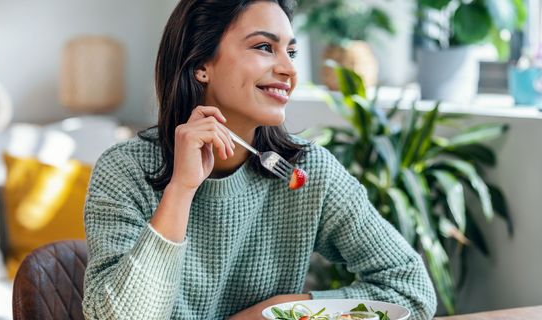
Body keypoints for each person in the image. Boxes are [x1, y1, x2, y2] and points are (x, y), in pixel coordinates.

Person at [82, 0, 437, 319]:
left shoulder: (308, 171)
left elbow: (411, 290)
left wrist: (279, 312)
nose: (289, 70)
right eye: (265, 47)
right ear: (201, 63)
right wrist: (181, 188)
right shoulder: (125, 171)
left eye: (291, 53)